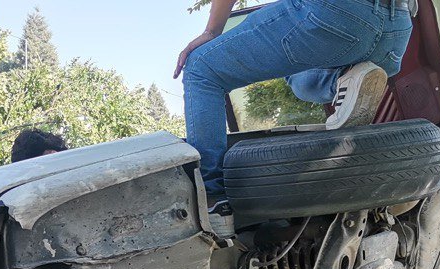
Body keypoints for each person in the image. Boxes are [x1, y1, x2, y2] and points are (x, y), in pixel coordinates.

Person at [175, 0, 416, 207]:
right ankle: (341, 81)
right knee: (298, 79)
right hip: (397, 32)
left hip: (334, 13)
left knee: (201, 67)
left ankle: (213, 197)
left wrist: (211, 32)